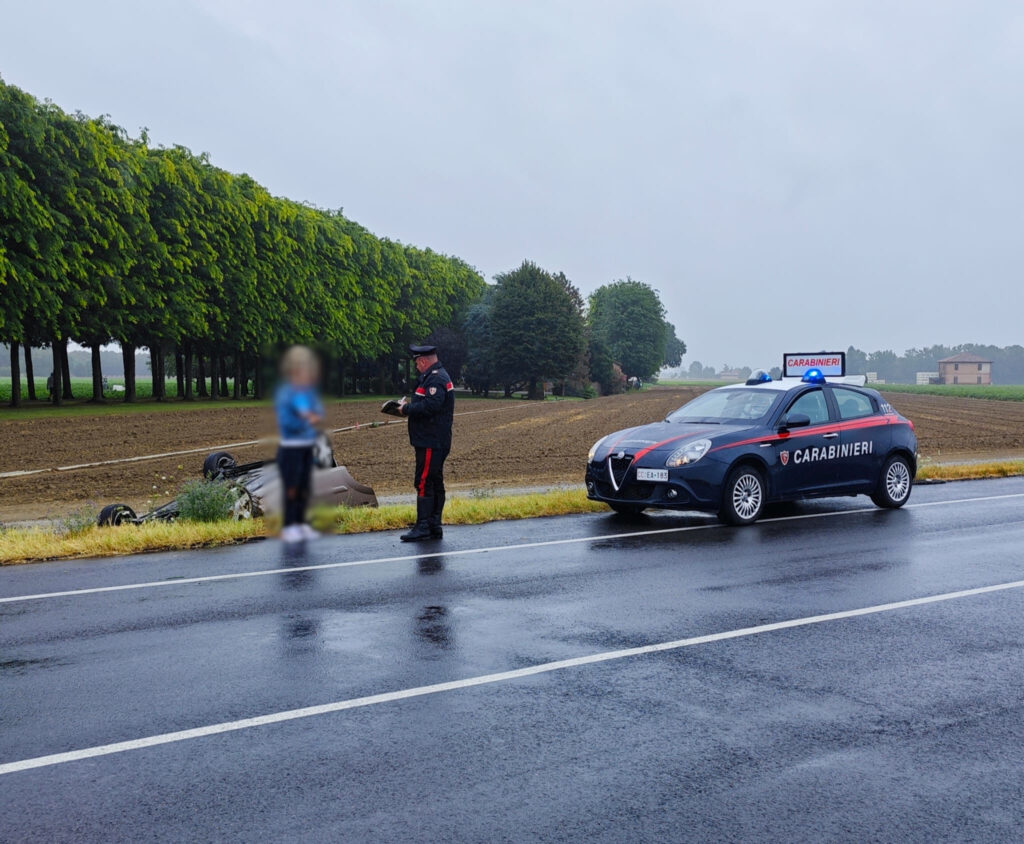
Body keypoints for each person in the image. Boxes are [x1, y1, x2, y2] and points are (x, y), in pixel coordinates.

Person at [398, 344, 455, 541]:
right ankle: (433, 525)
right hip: (433, 439)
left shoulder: (436, 379)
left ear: (422, 361)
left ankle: (423, 526)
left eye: (417, 363)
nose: (416, 366)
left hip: (431, 440)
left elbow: (431, 406)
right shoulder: (434, 376)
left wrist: (406, 409)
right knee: (434, 481)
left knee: (423, 481)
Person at [275, 345, 325, 543]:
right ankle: (289, 525)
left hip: (307, 446)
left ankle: (302, 523)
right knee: (292, 487)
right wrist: (307, 420)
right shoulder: (286, 394)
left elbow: (319, 413)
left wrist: (310, 417)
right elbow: (287, 422)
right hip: (291, 447)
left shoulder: (309, 393)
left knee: (305, 486)